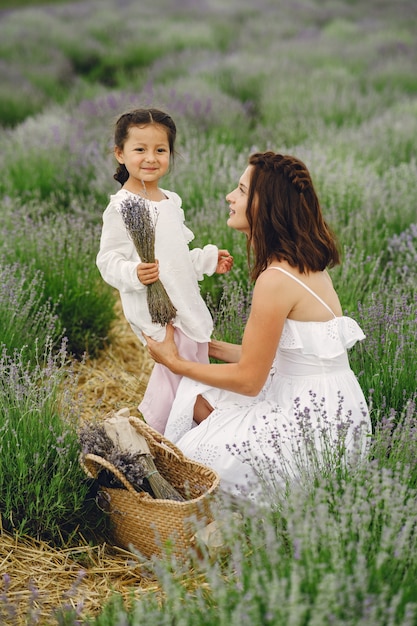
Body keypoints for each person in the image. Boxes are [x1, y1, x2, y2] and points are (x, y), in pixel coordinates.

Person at [145, 151, 371, 502]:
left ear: (265, 206)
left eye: (240, 190)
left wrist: (174, 362)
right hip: (337, 410)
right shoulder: (307, 264)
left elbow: (251, 380)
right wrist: (205, 346)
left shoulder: (275, 279)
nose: (229, 197)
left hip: (311, 426)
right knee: (197, 396)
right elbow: (277, 356)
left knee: (193, 433)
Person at [96, 108, 233, 434]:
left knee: (194, 369)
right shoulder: (121, 206)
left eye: (161, 150)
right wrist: (133, 272)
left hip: (183, 300)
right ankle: (209, 430)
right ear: (120, 153)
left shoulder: (170, 200)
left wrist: (207, 261)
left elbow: (177, 258)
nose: (151, 158)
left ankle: (188, 438)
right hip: (157, 309)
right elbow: (107, 260)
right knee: (183, 376)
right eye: (140, 149)